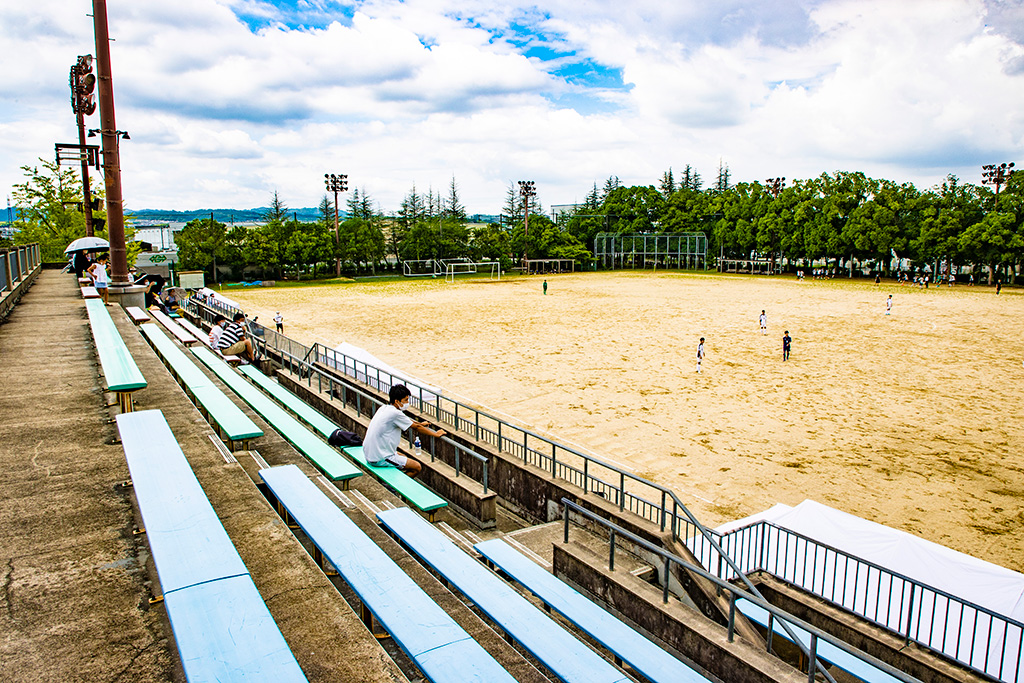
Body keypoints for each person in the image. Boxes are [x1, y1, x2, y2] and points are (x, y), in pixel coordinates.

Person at [362, 384, 446, 479]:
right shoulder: (395, 413)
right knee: (416, 467)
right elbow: (416, 427)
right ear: (397, 401)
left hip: (370, 452)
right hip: (379, 458)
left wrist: (420, 424)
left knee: (404, 457)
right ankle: (393, 486)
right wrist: (436, 434)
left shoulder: (384, 408)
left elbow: (408, 421)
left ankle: (392, 479)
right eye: (405, 400)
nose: (407, 402)